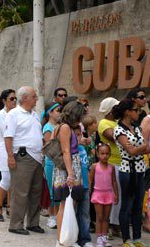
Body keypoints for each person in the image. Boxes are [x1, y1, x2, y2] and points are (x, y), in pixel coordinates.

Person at [4, 86, 44, 235]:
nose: (36, 99)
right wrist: (10, 156)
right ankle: (15, 225)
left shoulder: (35, 114)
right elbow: (8, 136)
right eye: (34, 96)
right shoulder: (14, 114)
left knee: (35, 192)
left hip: (37, 157)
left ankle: (33, 223)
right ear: (25, 98)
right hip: (22, 156)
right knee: (20, 192)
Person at [113, 99, 150, 247]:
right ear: (128, 112)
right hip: (127, 169)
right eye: (136, 110)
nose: (138, 112)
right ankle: (126, 239)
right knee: (127, 204)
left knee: (138, 204)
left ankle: (137, 238)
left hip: (140, 168)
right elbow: (132, 151)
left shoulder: (137, 128)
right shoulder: (119, 130)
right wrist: (142, 146)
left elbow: (146, 149)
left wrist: (139, 147)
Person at [53, 101, 85, 246]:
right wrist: (71, 174)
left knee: (67, 204)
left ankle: (64, 239)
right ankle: (61, 240)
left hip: (68, 167)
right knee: (64, 204)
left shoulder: (61, 126)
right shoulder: (65, 127)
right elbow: (66, 151)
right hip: (67, 168)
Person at [0, 89, 17, 221]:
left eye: (15, 98)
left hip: (16, 147)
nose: (14, 101)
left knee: (13, 178)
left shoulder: (17, 113)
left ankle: (10, 206)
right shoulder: (1, 115)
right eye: (11, 99)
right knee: (6, 177)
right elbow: (8, 132)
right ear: (4, 101)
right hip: (3, 147)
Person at [97, 97, 121, 238]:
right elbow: (114, 137)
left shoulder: (118, 122)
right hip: (111, 163)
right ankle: (110, 225)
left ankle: (115, 223)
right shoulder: (104, 123)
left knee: (120, 196)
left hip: (121, 162)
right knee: (111, 194)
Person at [89, 143, 118, 247]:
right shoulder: (94, 166)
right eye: (102, 153)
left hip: (108, 194)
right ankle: (99, 238)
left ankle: (104, 236)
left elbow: (114, 181)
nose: (104, 156)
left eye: (107, 153)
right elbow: (90, 181)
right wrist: (89, 193)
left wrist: (116, 194)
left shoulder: (112, 167)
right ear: (97, 154)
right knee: (99, 217)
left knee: (106, 217)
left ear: (109, 154)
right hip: (98, 194)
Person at [41, 102, 62, 228]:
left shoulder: (60, 126)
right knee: (51, 189)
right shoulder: (48, 128)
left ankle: (58, 214)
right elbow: (50, 147)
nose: (60, 112)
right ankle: (51, 216)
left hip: (59, 162)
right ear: (50, 112)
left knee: (58, 188)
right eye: (58, 110)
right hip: (51, 162)